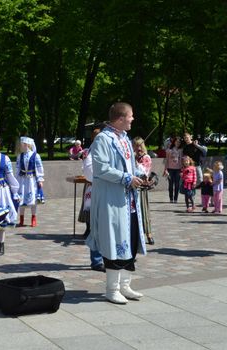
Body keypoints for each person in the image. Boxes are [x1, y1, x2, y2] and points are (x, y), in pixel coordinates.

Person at [86, 102, 147, 304]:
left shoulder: (124, 138)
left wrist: (142, 175)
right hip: (112, 200)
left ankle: (125, 286)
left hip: (128, 200)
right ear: (121, 118)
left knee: (130, 239)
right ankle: (111, 289)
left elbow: (130, 166)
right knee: (114, 240)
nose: (132, 119)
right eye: (131, 116)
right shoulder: (103, 139)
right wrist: (127, 178)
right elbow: (101, 168)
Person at [79, 128, 105, 272]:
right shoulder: (90, 152)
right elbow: (89, 173)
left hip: (111, 192)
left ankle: (112, 257)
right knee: (96, 227)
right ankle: (96, 260)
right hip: (97, 190)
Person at [16, 136, 45, 227]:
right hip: (22, 180)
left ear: (26, 145)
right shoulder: (19, 156)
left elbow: (39, 168)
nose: (20, 147)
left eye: (21, 145)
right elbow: (17, 169)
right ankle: (21, 218)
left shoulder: (35, 155)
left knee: (33, 199)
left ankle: (33, 218)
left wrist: (40, 179)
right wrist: (15, 181)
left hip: (32, 180)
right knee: (21, 199)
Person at [133, 137, 155, 245]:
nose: (138, 148)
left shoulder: (146, 157)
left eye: (140, 146)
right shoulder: (132, 157)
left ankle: (149, 234)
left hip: (142, 188)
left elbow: (144, 172)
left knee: (144, 211)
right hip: (132, 187)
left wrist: (136, 164)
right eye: (136, 146)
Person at [163, 136, 182, 203]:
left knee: (177, 185)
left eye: (179, 142)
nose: (178, 143)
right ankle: (171, 198)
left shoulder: (181, 150)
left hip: (178, 169)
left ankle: (176, 198)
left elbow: (181, 161)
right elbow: (167, 160)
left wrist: (182, 170)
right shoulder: (168, 150)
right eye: (177, 142)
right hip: (170, 169)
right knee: (170, 184)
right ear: (174, 142)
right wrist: (165, 170)